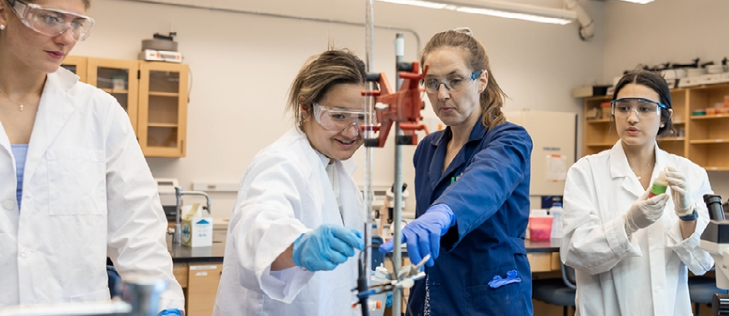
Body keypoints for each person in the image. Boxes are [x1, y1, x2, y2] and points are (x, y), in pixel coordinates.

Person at [0, 0, 184, 313]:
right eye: (51, 18)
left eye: (77, 23)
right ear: (4, 11)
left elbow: (137, 226)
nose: (66, 37)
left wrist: (162, 305)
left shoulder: (99, 112)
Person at [379, 28, 534, 315]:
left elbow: (486, 179)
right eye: (432, 82)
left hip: (490, 298)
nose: (442, 94)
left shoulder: (509, 139)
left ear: (481, 80)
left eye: (455, 80)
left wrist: (444, 212)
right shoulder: (428, 148)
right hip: (433, 293)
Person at [213, 49, 368, 316]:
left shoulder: (336, 170)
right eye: (338, 116)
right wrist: (298, 246)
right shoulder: (281, 162)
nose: (352, 131)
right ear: (306, 108)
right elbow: (258, 224)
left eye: (363, 118)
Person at [560, 70, 715, 316]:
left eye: (644, 108)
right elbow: (576, 252)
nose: (632, 117)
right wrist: (627, 224)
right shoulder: (586, 172)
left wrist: (687, 215)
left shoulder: (690, 174)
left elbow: (702, 262)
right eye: (623, 108)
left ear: (664, 117)